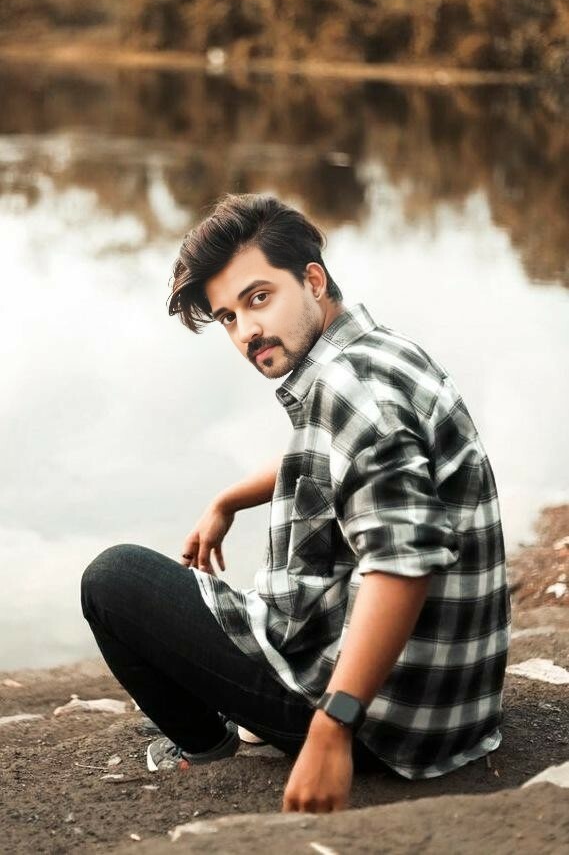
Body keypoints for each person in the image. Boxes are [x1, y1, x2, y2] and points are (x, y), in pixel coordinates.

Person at [81, 193, 510, 813]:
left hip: (380, 724)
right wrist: (229, 500)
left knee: (113, 579)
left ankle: (205, 743)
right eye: (228, 317)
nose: (247, 331)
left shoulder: (348, 388)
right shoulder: (380, 352)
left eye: (258, 298)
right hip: (449, 709)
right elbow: (336, 458)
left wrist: (333, 729)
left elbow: (402, 561)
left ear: (312, 280)